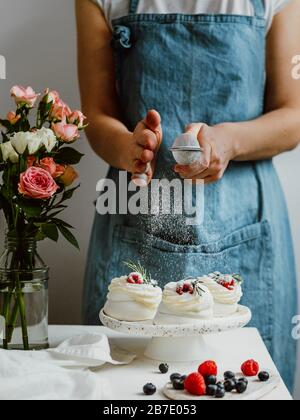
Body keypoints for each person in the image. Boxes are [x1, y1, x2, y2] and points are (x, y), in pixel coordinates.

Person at [76, 0, 300, 391]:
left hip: (246, 224)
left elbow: (293, 115)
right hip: (136, 211)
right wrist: (129, 147)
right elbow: (95, 115)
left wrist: (229, 142)